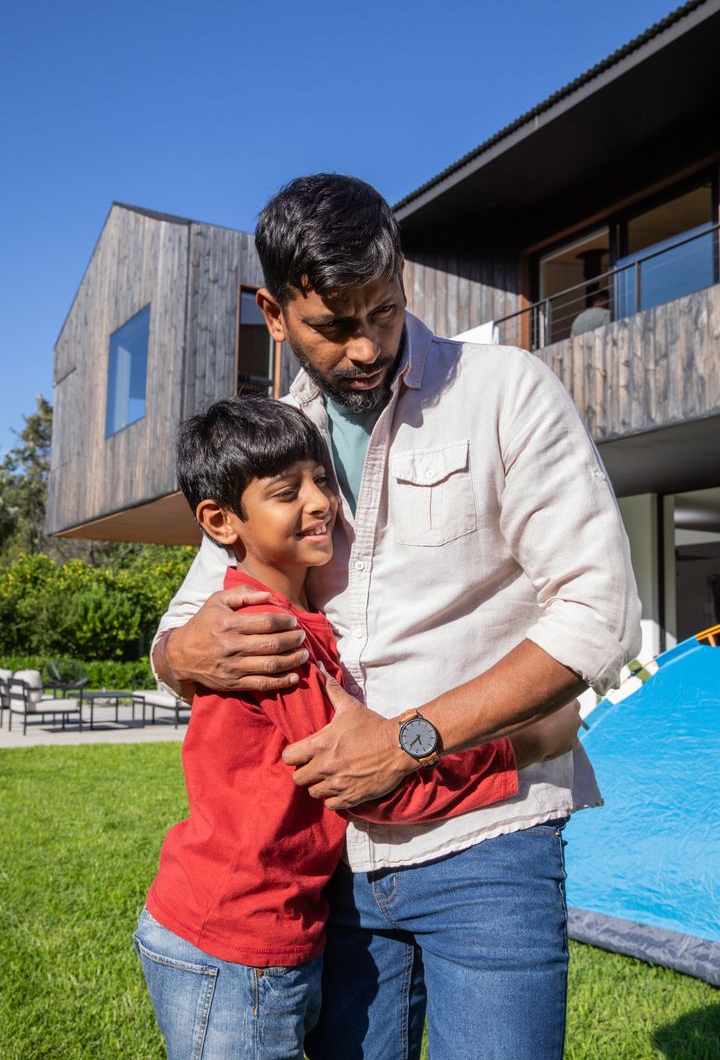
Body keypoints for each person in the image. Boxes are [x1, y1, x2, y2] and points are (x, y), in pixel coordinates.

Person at [152, 174, 641, 1060]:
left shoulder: (506, 391)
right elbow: (182, 627)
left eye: (383, 310)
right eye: (333, 327)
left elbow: (598, 614)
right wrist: (185, 650)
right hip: (332, 870)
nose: (368, 345)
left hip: (490, 847)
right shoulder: (273, 439)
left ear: (401, 273)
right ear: (273, 311)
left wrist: (409, 738)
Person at [134, 395, 579, 1060]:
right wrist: (529, 742)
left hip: (254, 928)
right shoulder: (266, 638)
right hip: (234, 941)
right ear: (220, 521)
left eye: (322, 478)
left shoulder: (281, 616)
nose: (319, 502)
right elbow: (379, 788)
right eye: (287, 492)